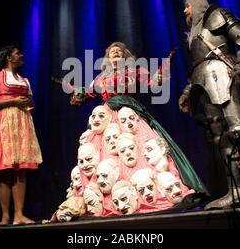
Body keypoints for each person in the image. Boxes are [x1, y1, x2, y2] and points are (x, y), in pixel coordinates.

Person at [56, 41, 207, 219]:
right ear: (107, 57)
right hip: (108, 117)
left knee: (142, 151)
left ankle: (147, 193)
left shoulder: (135, 71)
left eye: (119, 51)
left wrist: (164, 67)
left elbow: (153, 83)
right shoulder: (100, 78)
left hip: (130, 113)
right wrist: (77, 92)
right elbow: (86, 95)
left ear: (125, 55)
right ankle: (110, 199)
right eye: (112, 51)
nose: (115, 53)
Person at [178, 0, 240, 209]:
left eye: (187, 6)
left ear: (197, 5)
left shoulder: (216, 15)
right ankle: (236, 192)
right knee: (221, 138)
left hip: (223, 75)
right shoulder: (191, 35)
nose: (185, 11)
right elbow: (197, 65)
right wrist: (187, 91)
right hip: (202, 83)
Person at [0, 45, 42, 226]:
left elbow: (32, 103)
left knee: (20, 170)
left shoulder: (24, 80)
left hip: (22, 123)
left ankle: (19, 215)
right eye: (17, 53)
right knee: (5, 171)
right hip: (3, 122)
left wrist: (28, 104)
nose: (21, 55)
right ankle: (5, 216)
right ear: (8, 57)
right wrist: (13, 101)